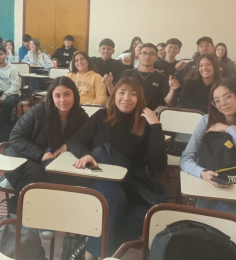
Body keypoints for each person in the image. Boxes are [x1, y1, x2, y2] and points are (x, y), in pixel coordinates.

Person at [67, 77, 167, 257]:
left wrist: (156, 127)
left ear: (140, 99)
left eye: (133, 94)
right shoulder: (101, 116)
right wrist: (85, 154)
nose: (126, 98)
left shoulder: (145, 123)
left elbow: (157, 165)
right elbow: (75, 141)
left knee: (148, 213)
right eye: (121, 92)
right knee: (106, 156)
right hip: (98, 174)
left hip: (128, 183)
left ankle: (93, 247)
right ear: (114, 95)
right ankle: (100, 254)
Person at [3, 77, 88, 236]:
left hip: (53, 158)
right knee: (38, 174)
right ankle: (33, 217)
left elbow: (86, 139)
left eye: (67, 94)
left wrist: (67, 145)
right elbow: (15, 137)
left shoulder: (81, 116)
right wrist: (40, 154)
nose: (62, 100)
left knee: (62, 173)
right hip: (21, 154)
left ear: (75, 95)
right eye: (57, 95)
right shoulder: (38, 112)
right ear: (51, 97)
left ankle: (50, 214)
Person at [180, 78, 236, 222]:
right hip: (213, 187)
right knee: (203, 218)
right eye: (217, 100)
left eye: (228, 96)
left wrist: (230, 130)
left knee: (224, 217)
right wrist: (202, 173)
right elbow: (186, 158)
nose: (223, 103)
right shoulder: (206, 121)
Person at [106, 43, 180, 111]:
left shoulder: (162, 78)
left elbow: (169, 102)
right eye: (144, 53)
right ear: (139, 56)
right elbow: (114, 94)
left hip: (150, 116)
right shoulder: (127, 73)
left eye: (151, 54)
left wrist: (172, 90)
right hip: (128, 112)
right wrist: (109, 84)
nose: (147, 56)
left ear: (156, 58)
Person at [0, 46, 21, 143]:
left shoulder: (12, 69)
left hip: (11, 93)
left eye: (1, 54)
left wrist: (5, 95)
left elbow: (16, 86)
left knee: (7, 103)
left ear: (6, 55)